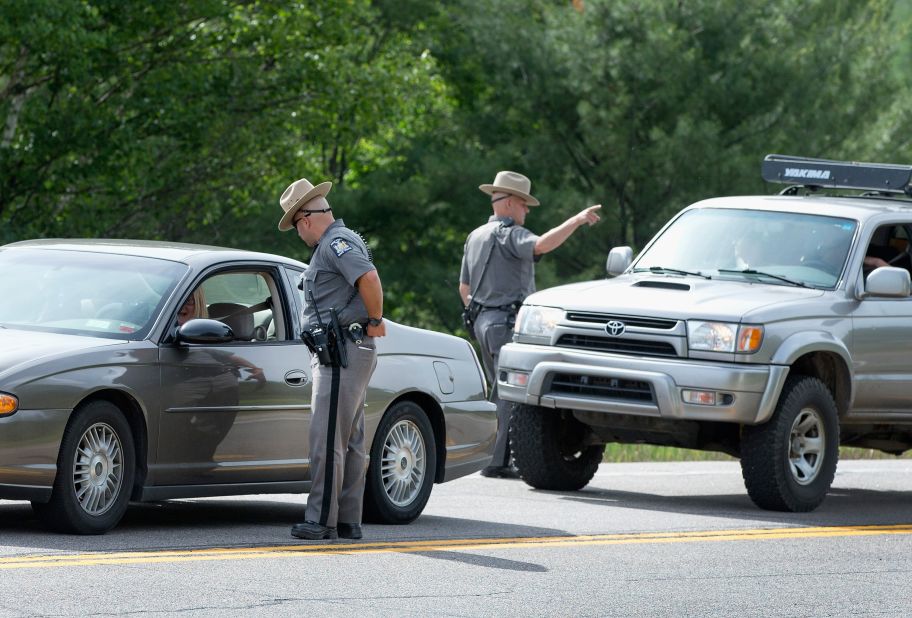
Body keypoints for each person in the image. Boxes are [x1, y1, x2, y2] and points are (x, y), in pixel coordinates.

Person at [459, 170, 601, 478]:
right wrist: (575, 221)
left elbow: (463, 288)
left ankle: (491, 456)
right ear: (510, 203)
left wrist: (480, 313)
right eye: (525, 205)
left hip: (482, 322)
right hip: (506, 322)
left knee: (497, 389)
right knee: (509, 392)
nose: (527, 211)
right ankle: (495, 462)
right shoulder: (509, 233)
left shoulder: (475, 236)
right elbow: (542, 245)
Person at [278, 176, 386, 540]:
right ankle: (347, 520)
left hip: (340, 352)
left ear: (305, 219)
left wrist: (374, 320)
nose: (299, 234)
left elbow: (369, 278)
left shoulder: (334, 243)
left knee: (325, 438)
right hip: (346, 350)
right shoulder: (339, 241)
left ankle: (320, 520)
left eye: (296, 227)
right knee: (349, 440)